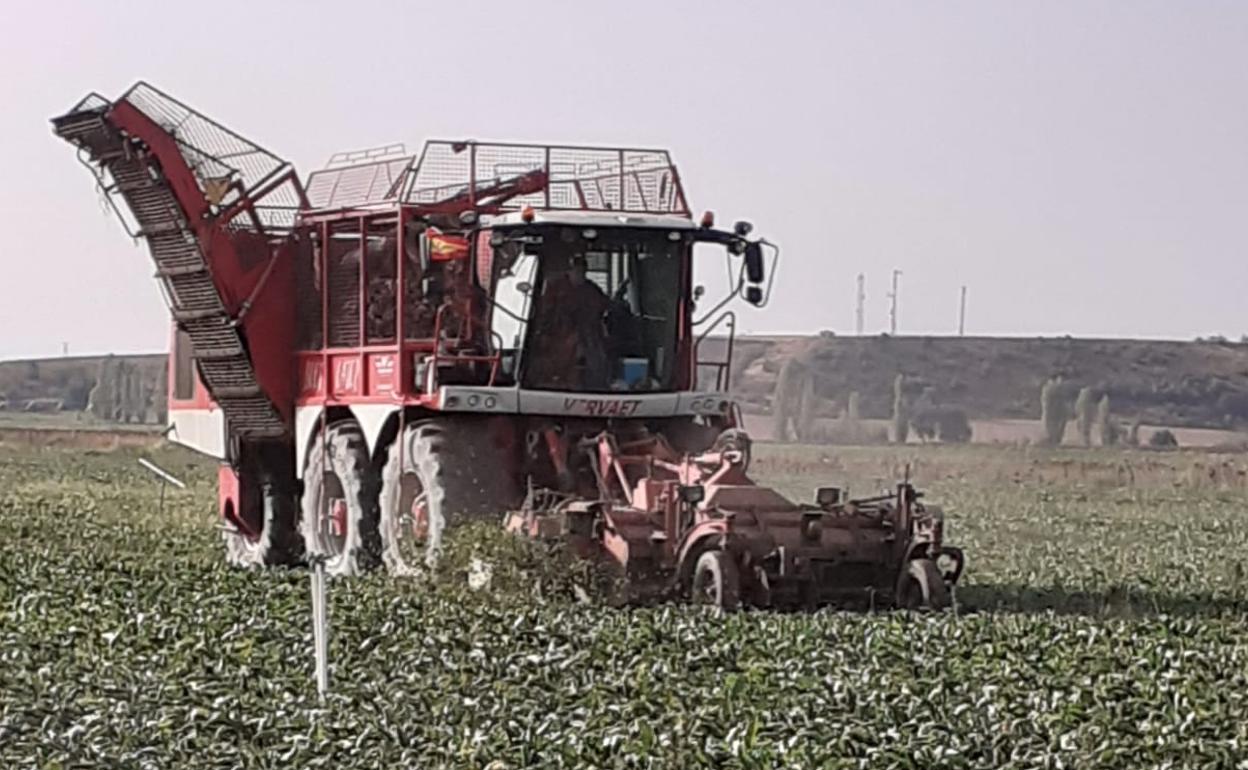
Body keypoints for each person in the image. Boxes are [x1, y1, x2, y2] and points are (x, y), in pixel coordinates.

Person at [529, 255, 614, 389]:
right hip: (557, 338)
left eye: (582, 270)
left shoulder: (591, 289)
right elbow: (543, 313)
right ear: (568, 270)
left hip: (588, 337)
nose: (579, 273)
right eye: (575, 269)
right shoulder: (554, 288)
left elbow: (605, 306)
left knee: (596, 364)